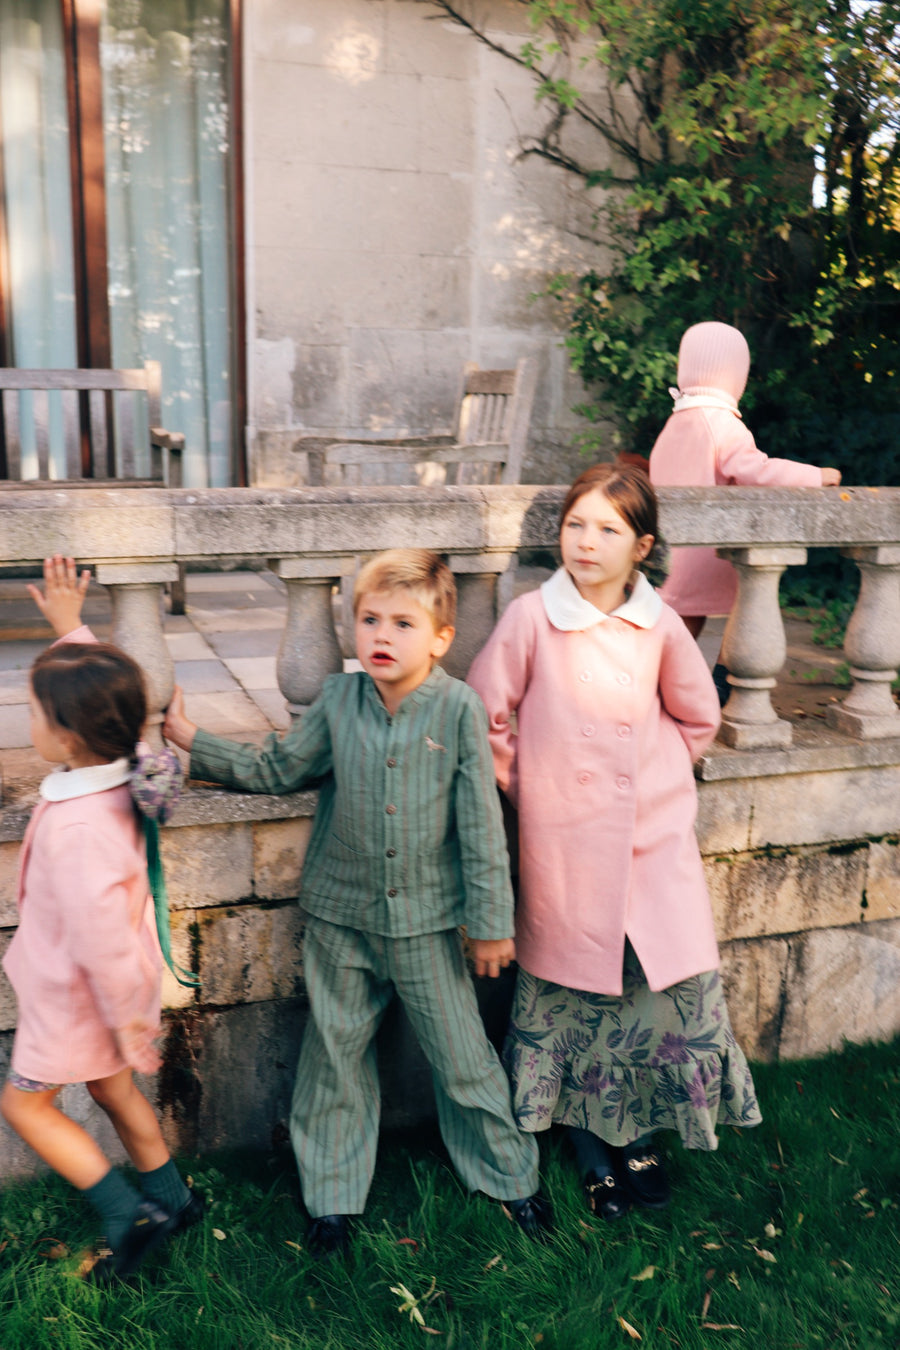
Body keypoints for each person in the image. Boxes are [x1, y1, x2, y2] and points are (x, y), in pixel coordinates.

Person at [163, 548, 549, 1256]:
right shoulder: (340, 703)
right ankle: (331, 1196)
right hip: (340, 919)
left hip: (427, 924)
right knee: (334, 1056)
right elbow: (278, 767)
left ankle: (509, 1177)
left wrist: (493, 925)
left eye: (403, 622)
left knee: (462, 1053)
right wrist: (194, 742)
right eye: (369, 618)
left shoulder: (460, 709)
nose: (382, 634)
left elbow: (481, 825)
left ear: (438, 638)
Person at [467, 464, 761, 1222]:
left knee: (656, 994)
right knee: (575, 998)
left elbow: (697, 717)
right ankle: (590, 1146)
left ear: (642, 546)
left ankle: (639, 1136)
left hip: (651, 846)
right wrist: (529, 789)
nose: (587, 542)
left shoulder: (659, 625)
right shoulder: (533, 619)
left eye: (607, 529)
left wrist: (658, 780)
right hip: (564, 850)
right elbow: (485, 713)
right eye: (576, 525)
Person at [1, 557, 203, 1282]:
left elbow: (101, 941)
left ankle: (127, 1214)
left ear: (68, 735)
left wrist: (125, 1023)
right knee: (113, 1089)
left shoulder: (80, 826)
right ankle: (174, 1199)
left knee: (25, 1107)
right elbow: (108, 699)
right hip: (109, 997)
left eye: (33, 712)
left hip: (79, 997)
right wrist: (69, 628)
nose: (27, 720)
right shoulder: (128, 767)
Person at [648, 321, 841, 701]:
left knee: (681, 618)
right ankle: (721, 681)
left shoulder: (675, 423)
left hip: (672, 547)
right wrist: (815, 476)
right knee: (749, 600)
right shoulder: (721, 424)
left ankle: (659, 683)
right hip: (708, 550)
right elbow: (757, 469)